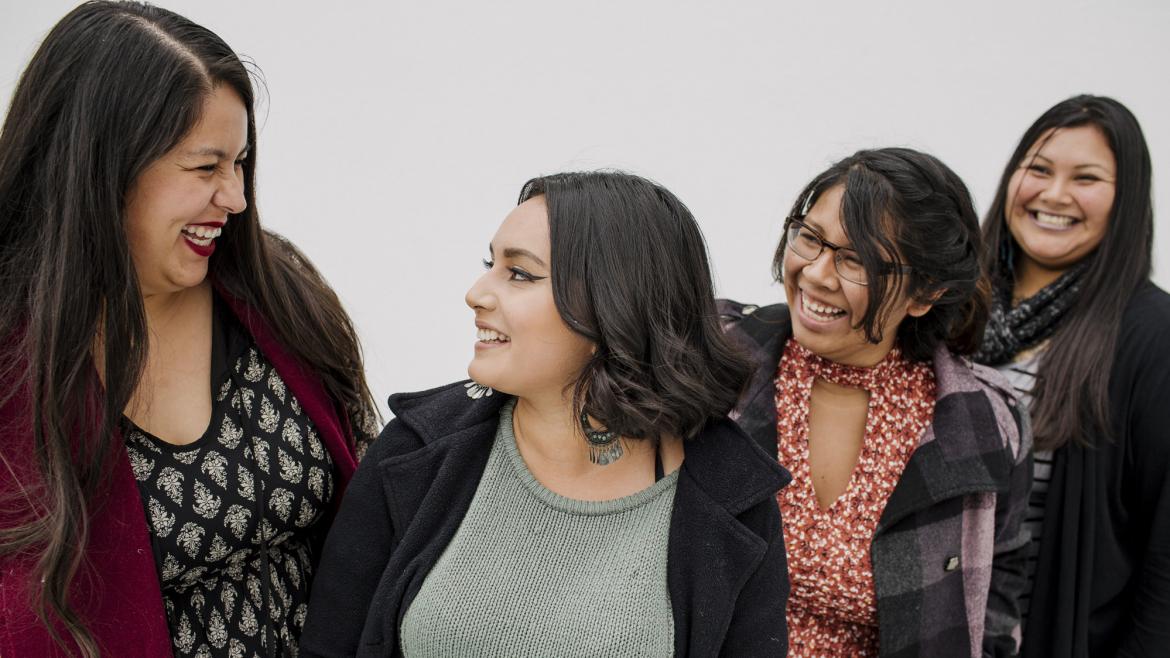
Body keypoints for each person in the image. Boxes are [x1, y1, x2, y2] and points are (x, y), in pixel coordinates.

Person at [0, 2, 377, 656]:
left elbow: (369, 477)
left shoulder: (277, 294)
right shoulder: (13, 370)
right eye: (205, 168)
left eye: (240, 163)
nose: (235, 196)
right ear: (102, 170)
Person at [300, 171, 791, 657]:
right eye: (490, 264)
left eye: (519, 273)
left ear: (613, 305)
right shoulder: (415, 450)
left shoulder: (733, 496)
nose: (476, 293)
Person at [719, 147, 1031, 656]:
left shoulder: (986, 422)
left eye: (857, 259)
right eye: (811, 238)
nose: (817, 274)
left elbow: (1001, 580)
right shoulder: (721, 360)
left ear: (924, 293)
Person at [973, 95, 1170, 657]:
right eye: (1038, 169)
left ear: (1125, 200)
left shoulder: (1152, 337)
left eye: (1086, 178)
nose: (1054, 195)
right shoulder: (948, 310)